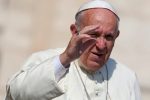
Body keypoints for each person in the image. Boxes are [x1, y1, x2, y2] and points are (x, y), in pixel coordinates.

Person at [5, 0, 141, 100]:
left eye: (109, 37)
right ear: (75, 31)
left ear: (116, 36)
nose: (101, 45)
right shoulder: (43, 60)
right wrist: (65, 58)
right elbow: (15, 94)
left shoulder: (127, 77)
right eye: (93, 35)